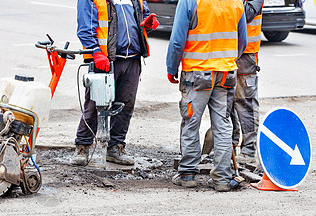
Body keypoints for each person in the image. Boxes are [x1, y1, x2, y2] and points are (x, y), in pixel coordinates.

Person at [166, 0, 247, 191]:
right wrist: (227, 61)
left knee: (191, 122)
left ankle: (187, 174)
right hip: (225, 73)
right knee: (223, 124)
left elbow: (178, 40)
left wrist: (171, 67)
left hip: (197, 73)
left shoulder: (190, 1)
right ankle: (222, 179)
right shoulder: (235, 2)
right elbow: (242, 40)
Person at [72, 0, 159, 166]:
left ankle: (116, 147)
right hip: (105, 60)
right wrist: (95, 52)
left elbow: (144, 18)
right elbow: (85, 28)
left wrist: (148, 23)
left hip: (132, 59)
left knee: (125, 105)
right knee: (94, 105)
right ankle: (82, 145)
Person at [232, 0, 264, 164]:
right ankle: (229, 146)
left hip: (246, 54)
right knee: (225, 101)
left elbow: (248, 13)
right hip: (227, 50)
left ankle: (249, 151)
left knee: (246, 103)